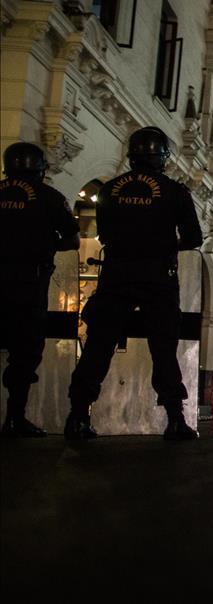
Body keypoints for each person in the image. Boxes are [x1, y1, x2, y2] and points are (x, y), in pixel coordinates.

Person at [66, 126, 202, 440]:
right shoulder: (174, 191)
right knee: (164, 349)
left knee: (98, 346)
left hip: (116, 275)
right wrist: (165, 245)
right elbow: (193, 237)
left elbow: (104, 234)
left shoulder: (109, 189)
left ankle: (77, 416)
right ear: (163, 157)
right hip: (158, 278)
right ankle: (175, 420)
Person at [0, 142, 80, 437]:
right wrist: (45, 245)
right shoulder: (50, 198)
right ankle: (14, 418)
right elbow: (72, 242)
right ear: (41, 168)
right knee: (24, 352)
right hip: (28, 287)